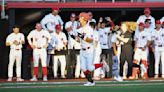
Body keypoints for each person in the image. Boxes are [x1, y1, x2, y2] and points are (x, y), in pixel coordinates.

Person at [77, 12, 109, 86]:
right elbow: (78, 39)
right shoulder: (80, 29)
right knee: (83, 68)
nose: (79, 19)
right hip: (82, 50)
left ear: (84, 19)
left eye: (80, 17)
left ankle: (101, 64)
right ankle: (90, 81)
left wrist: (82, 36)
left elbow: (90, 40)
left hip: (89, 50)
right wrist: (73, 36)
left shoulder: (89, 29)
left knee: (90, 68)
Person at [65, 13, 83, 78]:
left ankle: (77, 74)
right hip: (71, 39)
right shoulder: (68, 23)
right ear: (70, 18)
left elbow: (80, 30)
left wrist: (79, 23)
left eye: (74, 17)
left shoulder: (77, 23)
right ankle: (69, 73)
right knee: (70, 55)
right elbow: (67, 30)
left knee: (78, 56)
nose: (73, 18)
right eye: (72, 17)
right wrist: (71, 26)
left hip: (77, 38)